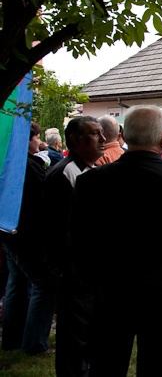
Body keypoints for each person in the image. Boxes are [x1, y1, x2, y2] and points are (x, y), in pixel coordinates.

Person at [68, 105, 162, 376]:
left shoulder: (92, 181)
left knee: (107, 365)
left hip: (112, 289)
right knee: (158, 365)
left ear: (124, 135)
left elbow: (79, 237)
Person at [44, 116, 106, 375]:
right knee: (74, 336)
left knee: (90, 333)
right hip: (75, 272)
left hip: (92, 270)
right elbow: (59, 230)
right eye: (95, 134)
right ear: (74, 140)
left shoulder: (90, 169)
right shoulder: (65, 173)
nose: (103, 140)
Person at [1, 121, 55, 355]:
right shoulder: (27, 166)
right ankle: (34, 342)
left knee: (17, 282)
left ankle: (12, 338)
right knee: (44, 284)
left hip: (9, 231)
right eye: (36, 138)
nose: (39, 142)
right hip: (26, 234)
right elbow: (40, 201)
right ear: (25, 139)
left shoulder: (10, 162)